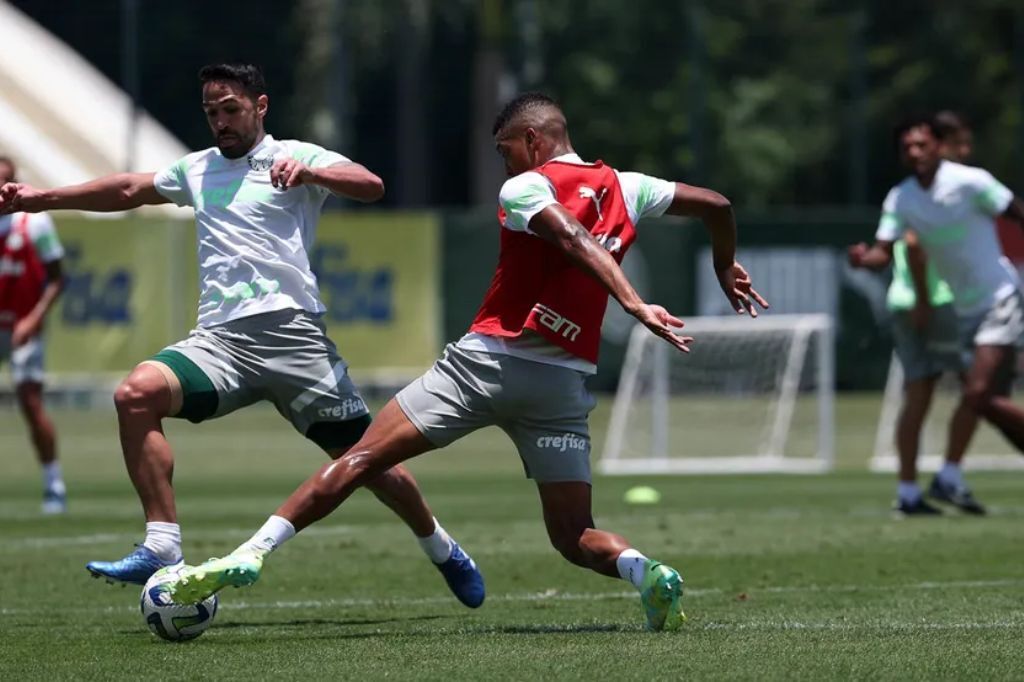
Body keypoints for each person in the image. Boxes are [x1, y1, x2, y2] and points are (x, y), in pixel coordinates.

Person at [164, 92, 768, 632]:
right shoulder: (630, 187)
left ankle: (250, 553)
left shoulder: (525, 186)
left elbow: (570, 239)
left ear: (532, 140)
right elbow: (716, 204)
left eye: (506, 151)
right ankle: (647, 572)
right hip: (561, 386)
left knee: (360, 459)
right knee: (573, 535)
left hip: (488, 364)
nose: (504, 166)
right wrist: (723, 265)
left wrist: (634, 303)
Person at [0, 63, 484, 607]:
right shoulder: (198, 168)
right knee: (135, 394)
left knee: (369, 463)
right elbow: (132, 188)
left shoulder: (295, 155)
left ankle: (442, 548)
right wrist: (41, 199)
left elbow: (370, 185)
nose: (221, 122)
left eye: (231, 109)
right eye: (212, 112)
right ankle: (163, 547)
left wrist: (311, 174)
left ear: (260, 107)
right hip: (221, 345)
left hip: (294, 341)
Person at [849, 114, 1024, 511]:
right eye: (907, 147)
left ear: (939, 147)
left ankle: (944, 478)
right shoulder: (902, 198)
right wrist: (863, 260)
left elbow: (1015, 210)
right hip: (964, 311)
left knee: (978, 394)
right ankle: (946, 478)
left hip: (999, 298)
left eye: (922, 144)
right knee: (988, 402)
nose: (915, 152)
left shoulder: (971, 181)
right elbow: (884, 250)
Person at [863, 111, 984, 516]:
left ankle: (910, 491)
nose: (965, 153)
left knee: (918, 395)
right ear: (943, 145)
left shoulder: (929, 193)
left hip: (910, 298)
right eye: (959, 144)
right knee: (980, 389)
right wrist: (924, 302)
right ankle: (949, 475)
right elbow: (913, 245)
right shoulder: (928, 193)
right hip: (934, 300)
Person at [0, 156, 67, 514]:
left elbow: (58, 277)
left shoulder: (34, 224)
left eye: (4, 182)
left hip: (21, 324)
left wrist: (34, 318)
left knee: (29, 401)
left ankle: (53, 485)